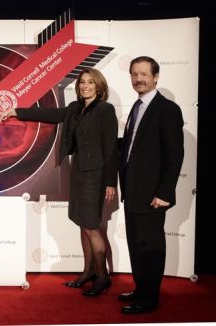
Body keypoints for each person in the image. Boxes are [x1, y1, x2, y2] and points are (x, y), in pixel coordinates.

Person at [0, 68, 118, 297]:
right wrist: (14, 111)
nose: (85, 86)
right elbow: (51, 115)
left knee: (91, 226)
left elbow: (111, 148)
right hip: (78, 170)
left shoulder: (105, 110)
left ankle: (103, 277)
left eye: (90, 83)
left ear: (99, 86)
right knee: (83, 224)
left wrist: (111, 182)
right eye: (82, 82)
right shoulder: (74, 109)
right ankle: (88, 272)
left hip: (96, 174)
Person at [118, 56, 184, 314]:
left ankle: (149, 298)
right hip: (133, 192)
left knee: (150, 248)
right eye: (134, 74)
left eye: (144, 74)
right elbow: (131, 149)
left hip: (153, 195)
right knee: (136, 245)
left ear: (156, 76)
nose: (138, 79)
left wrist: (164, 192)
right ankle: (140, 289)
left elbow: (175, 155)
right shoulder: (136, 107)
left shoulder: (167, 109)